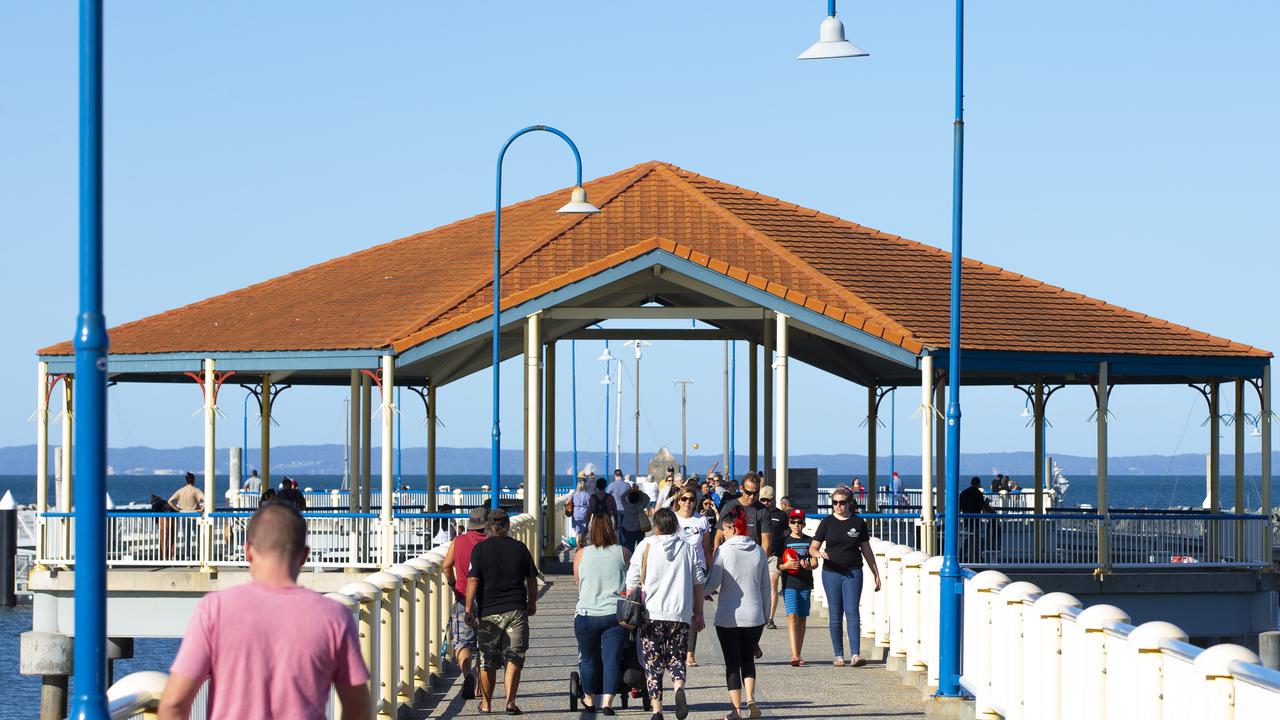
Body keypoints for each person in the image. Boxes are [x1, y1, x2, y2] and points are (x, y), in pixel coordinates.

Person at [158, 502, 369, 718]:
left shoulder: (214, 610)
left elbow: (173, 704)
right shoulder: (334, 617)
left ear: (247, 551)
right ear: (304, 556)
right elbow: (358, 709)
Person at [627, 508, 705, 720]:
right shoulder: (688, 548)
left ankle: (657, 710)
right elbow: (699, 582)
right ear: (675, 526)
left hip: (652, 614)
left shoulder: (646, 545)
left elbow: (632, 578)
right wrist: (699, 613)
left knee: (653, 664)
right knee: (677, 658)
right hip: (680, 615)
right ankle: (679, 687)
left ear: (656, 526)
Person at [465, 509, 537, 715]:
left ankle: (487, 704)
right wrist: (532, 603)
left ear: (489, 527)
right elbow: (531, 579)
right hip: (516, 609)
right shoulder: (520, 548)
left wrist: (469, 609)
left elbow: (473, 580)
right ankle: (510, 702)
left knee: (487, 660)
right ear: (508, 526)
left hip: (488, 612)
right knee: (514, 656)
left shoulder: (479, 550)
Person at [705, 508, 771, 720]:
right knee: (747, 660)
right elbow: (765, 588)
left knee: (732, 664)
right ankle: (751, 699)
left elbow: (713, 583)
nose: (722, 533)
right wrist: (765, 616)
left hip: (728, 616)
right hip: (755, 616)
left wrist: (698, 592)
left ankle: (736, 711)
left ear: (732, 527)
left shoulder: (724, 551)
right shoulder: (759, 551)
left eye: (723, 529)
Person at [810, 486, 880, 667]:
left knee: (852, 611)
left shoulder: (858, 522)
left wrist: (876, 573)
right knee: (835, 613)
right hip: (831, 573)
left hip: (853, 571)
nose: (838, 506)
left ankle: (856, 654)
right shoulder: (826, 522)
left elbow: (866, 550)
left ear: (849, 503)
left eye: (842, 502)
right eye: (835, 503)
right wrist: (818, 554)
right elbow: (813, 547)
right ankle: (838, 655)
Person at [573, 511, 631, 714]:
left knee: (588, 658)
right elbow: (631, 583)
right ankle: (607, 702)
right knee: (612, 658)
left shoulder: (581, 554)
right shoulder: (623, 552)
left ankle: (589, 699)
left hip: (587, 614)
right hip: (614, 615)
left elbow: (578, 583)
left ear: (591, 531)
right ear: (611, 528)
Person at [442, 507, 489, 700]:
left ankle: (467, 674)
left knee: (463, 642)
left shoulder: (458, 540)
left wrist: (453, 584)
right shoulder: (491, 542)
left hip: (463, 596)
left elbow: (446, 565)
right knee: (484, 643)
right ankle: (479, 682)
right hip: (487, 598)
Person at [673, 486, 712, 667]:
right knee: (678, 609)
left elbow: (706, 549)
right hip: (677, 570)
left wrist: (711, 572)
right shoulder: (673, 519)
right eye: (684, 499)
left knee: (695, 612)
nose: (688, 502)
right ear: (678, 500)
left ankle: (690, 653)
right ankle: (676, 649)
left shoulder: (702, 520)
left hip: (698, 569)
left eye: (691, 499)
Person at [780, 509, 817, 666]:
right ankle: (794, 654)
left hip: (805, 583)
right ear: (789, 523)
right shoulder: (784, 542)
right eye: (794, 522)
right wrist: (787, 565)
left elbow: (815, 562)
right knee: (792, 616)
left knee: (802, 619)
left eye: (799, 522)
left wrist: (808, 566)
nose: (796, 525)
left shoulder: (810, 541)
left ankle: (799, 653)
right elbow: (777, 565)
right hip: (790, 584)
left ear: (804, 523)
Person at [715, 473, 772, 557]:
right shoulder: (729, 507)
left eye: (755, 493)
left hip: (754, 558)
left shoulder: (763, 511)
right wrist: (716, 560)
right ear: (741, 489)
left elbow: (766, 543)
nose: (752, 496)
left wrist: (761, 565)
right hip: (731, 556)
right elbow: (719, 537)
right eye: (748, 492)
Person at [760, 490, 790, 630]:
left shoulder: (781, 515)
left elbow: (786, 532)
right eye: (763, 500)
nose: (766, 502)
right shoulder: (756, 512)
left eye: (769, 499)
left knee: (773, 583)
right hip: (757, 554)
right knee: (758, 586)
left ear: (774, 499)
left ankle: (770, 618)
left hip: (774, 555)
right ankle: (760, 615)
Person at [619, 484, 651, 552]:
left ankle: (630, 561)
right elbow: (647, 498)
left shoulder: (626, 507)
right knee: (641, 547)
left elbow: (622, 497)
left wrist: (630, 490)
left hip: (628, 530)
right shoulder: (641, 506)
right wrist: (638, 491)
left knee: (630, 547)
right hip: (639, 529)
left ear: (629, 498)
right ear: (639, 498)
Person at [568, 476, 593, 547]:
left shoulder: (574, 494)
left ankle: (578, 546)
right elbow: (589, 505)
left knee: (577, 531)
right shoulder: (587, 494)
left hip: (576, 513)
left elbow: (568, 501)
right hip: (584, 513)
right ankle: (582, 545)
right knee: (582, 531)